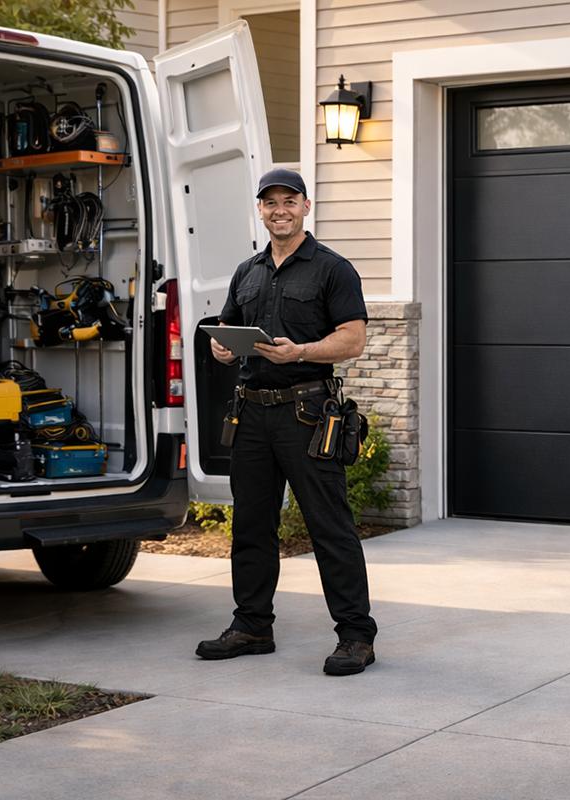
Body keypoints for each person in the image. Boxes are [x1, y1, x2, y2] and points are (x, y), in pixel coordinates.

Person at [195, 168, 377, 676]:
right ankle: (252, 625)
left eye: (289, 201)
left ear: (305, 206)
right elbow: (228, 332)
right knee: (251, 525)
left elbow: (353, 339)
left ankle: (356, 636)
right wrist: (222, 348)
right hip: (252, 412)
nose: (280, 210)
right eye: (270, 202)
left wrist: (302, 350)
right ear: (260, 210)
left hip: (308, 413)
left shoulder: (332, 269)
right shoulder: (247, 271)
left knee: (330, 527)